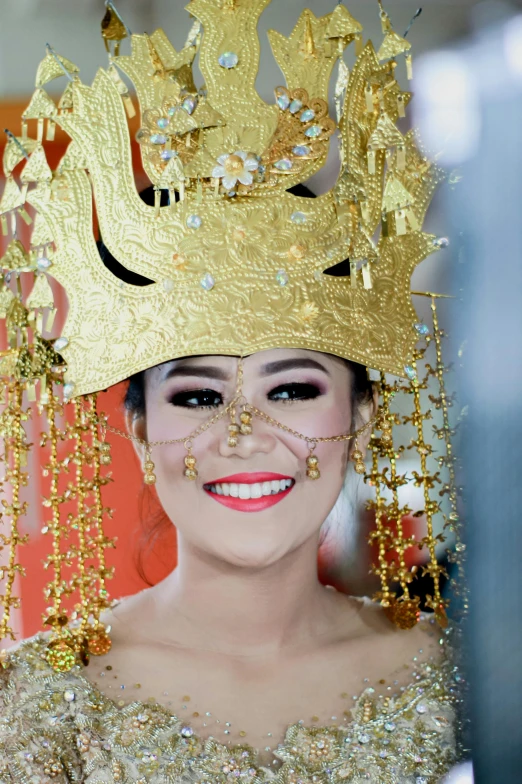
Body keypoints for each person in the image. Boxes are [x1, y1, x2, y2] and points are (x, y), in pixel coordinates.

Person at [0, 1, 464, 781]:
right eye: (198, 396)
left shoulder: (460, 686)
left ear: (361, 414)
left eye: (290, 389)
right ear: (143, 433)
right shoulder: (41, 699)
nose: (243, 432)